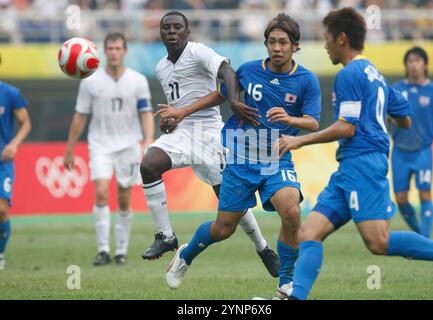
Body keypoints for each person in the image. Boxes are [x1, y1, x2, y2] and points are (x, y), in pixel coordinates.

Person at [274, 8, 433, 300]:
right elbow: (404, 118)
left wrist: (299, 141)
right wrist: (378, 116)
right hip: (350, 167)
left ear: (341, 39)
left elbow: (347, 128)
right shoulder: (375, 74)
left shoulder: (350, 74)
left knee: (378, 242)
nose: (325, 45)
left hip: (363, 162)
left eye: (327, 39)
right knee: (309, 233)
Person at [163, 13, 321, 298]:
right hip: (239, 157)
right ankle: (186, 254)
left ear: (295, 46)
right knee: (223, 229)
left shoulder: (306, 81)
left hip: (276, 158)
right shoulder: (248, 71)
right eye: (272, 42)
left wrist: (290, 119)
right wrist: (182, 111)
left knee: (291, 211)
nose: (276, 48)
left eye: (283, 42)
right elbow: (219, 95)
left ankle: (286, 282)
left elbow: (313, 122)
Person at [139, 11, 279, 277]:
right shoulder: (161, 67)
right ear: (160, 33)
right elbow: (178, 108)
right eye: (166, 27)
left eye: (178, 27)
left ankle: (263, 248)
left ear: (187, 32)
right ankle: (165, 235)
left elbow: (228, 71)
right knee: (149, 165)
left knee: (232, 204)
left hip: (210, 135)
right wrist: (170, 121)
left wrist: (235, 100)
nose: (172, 31)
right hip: (181, 134)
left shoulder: (198, 52)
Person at [64, 33, 154, 266]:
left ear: (124, 51)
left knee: (124, 199)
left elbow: (145, 113)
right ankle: (103, 249)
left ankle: (121, 250)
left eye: (118, 48)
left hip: (128, 145)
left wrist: (148, 140)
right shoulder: (90, 81)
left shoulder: (137, 80)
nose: (114, 52)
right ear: (103, 52)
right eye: (110, 48)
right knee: (102, 192)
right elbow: (79, 117)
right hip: (100, 144)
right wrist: (70, 148)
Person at [390, 46, 433, 239]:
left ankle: (424, 238)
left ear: (425, 65)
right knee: (400, 199)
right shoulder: (396, 90)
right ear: (406, 65)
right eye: (410, 61)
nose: (414, 65)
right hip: (399, 151)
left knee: (425, 194)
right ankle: (420, 235)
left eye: (417, 61)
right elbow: (384, 117)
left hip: (423, 151)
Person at [0, 54, 32, 270]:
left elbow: (26, 123)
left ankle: (0, 254)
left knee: (2, 210)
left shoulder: (10, 93)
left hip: (3, 160)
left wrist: (14, 144)